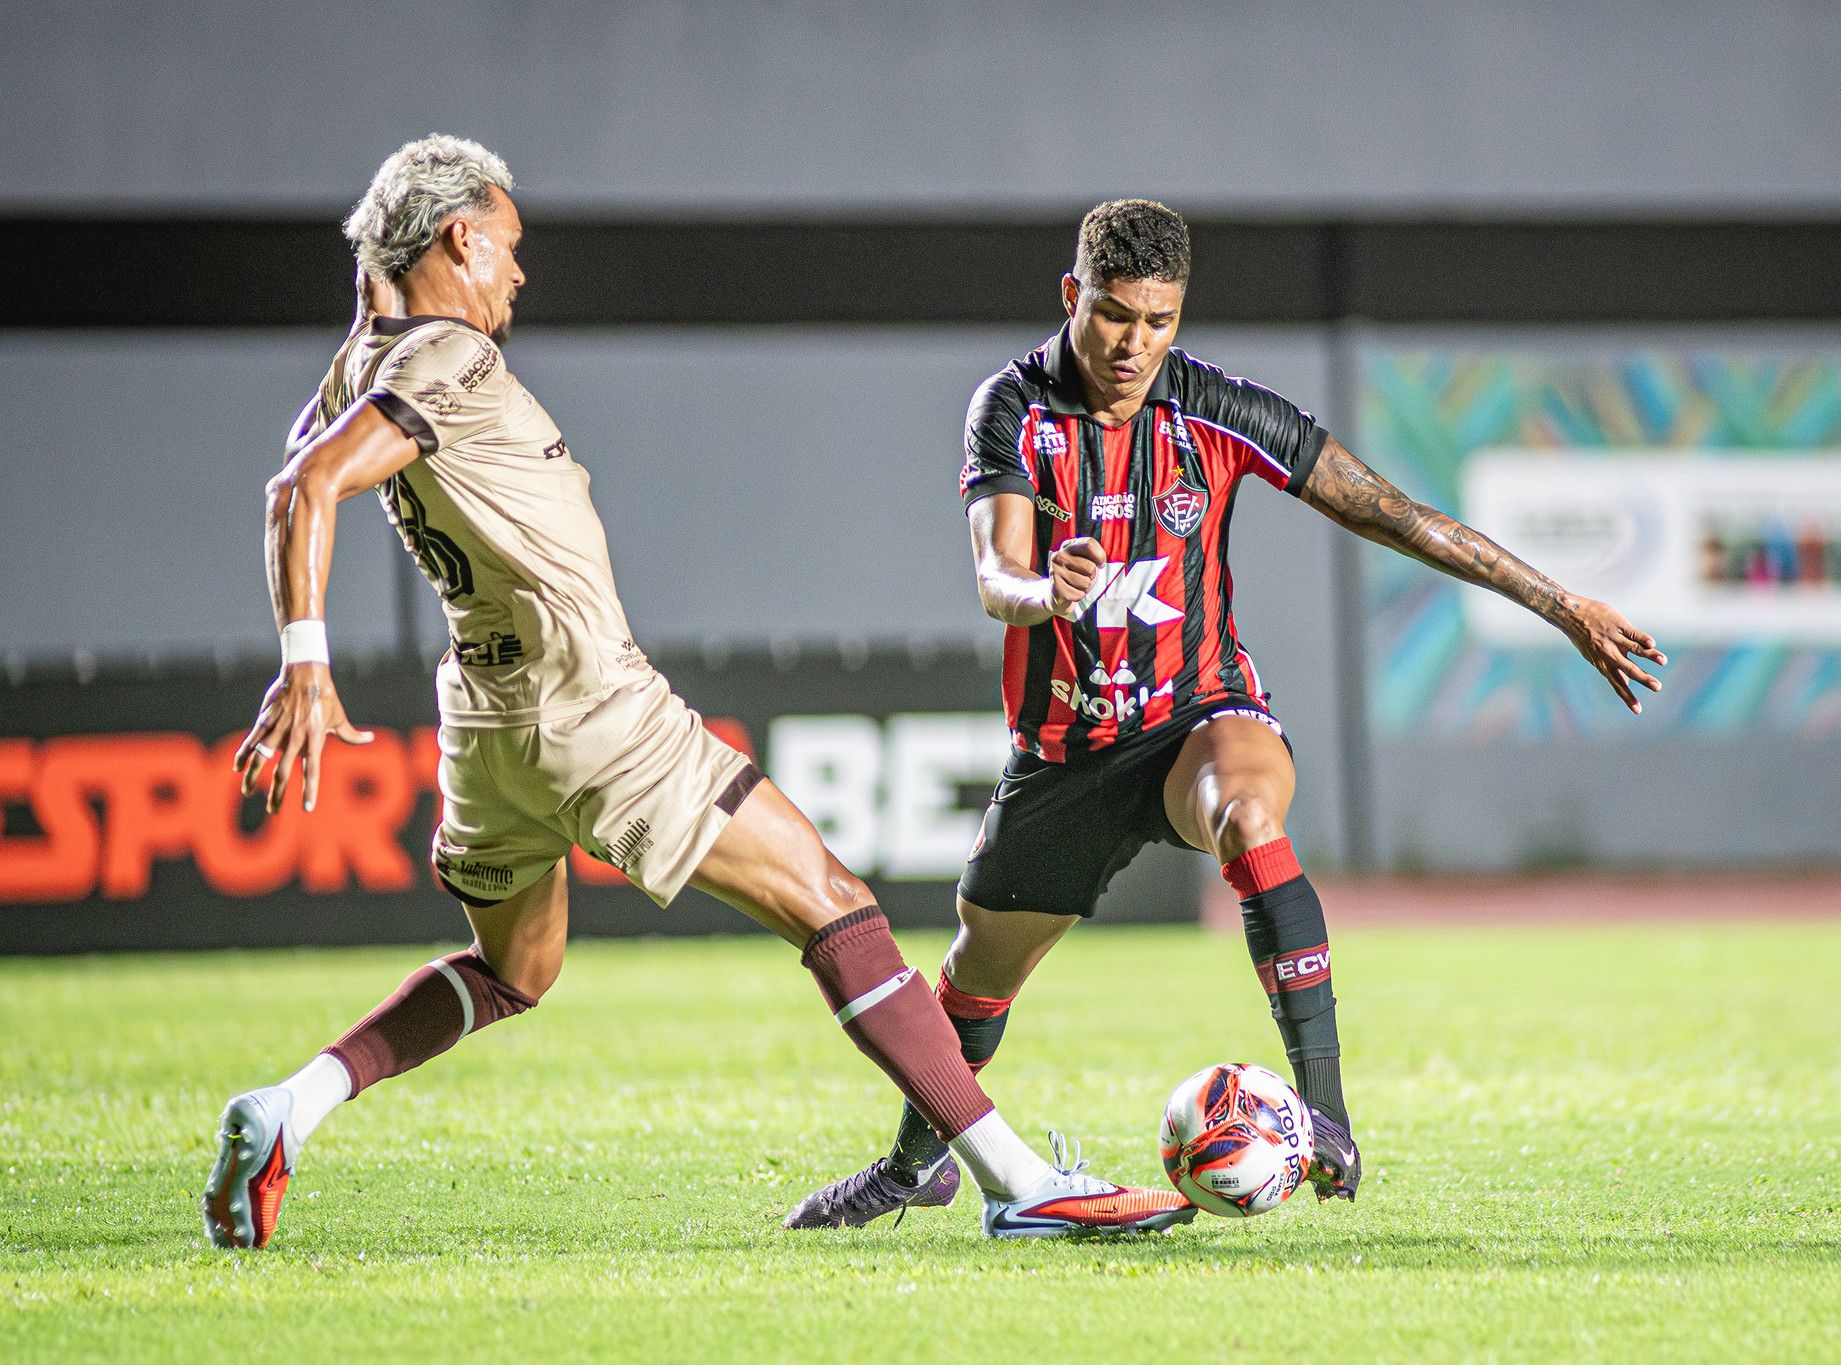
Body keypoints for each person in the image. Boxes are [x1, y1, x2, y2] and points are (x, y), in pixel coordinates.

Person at [203, 140, 1195, 1249]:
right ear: (459, 239)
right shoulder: (447, 358)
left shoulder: (359, 366)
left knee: (511, 969)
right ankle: (1016, 1181)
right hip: (586, 699)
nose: (518, 278)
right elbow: (307, 484)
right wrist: (304, 661)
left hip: (484, 724)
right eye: (510, 249)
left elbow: (295, 476)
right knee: (837, 906)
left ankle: (292, 1106)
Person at [786, 199, 1666, 1228]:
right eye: (1114, 315)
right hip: (1066, 755)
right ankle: (914, 1164)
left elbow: (1392, 512)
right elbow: (995, 572)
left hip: (1197, 716)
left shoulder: (1215, 410)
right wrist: (1044, 591)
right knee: (976, 980)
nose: (1134, 344)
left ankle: (1325, 1119)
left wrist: (1560, 604)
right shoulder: (1011, 409)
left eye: (1158, 321)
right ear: (1073, 297)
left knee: (1248, 810)